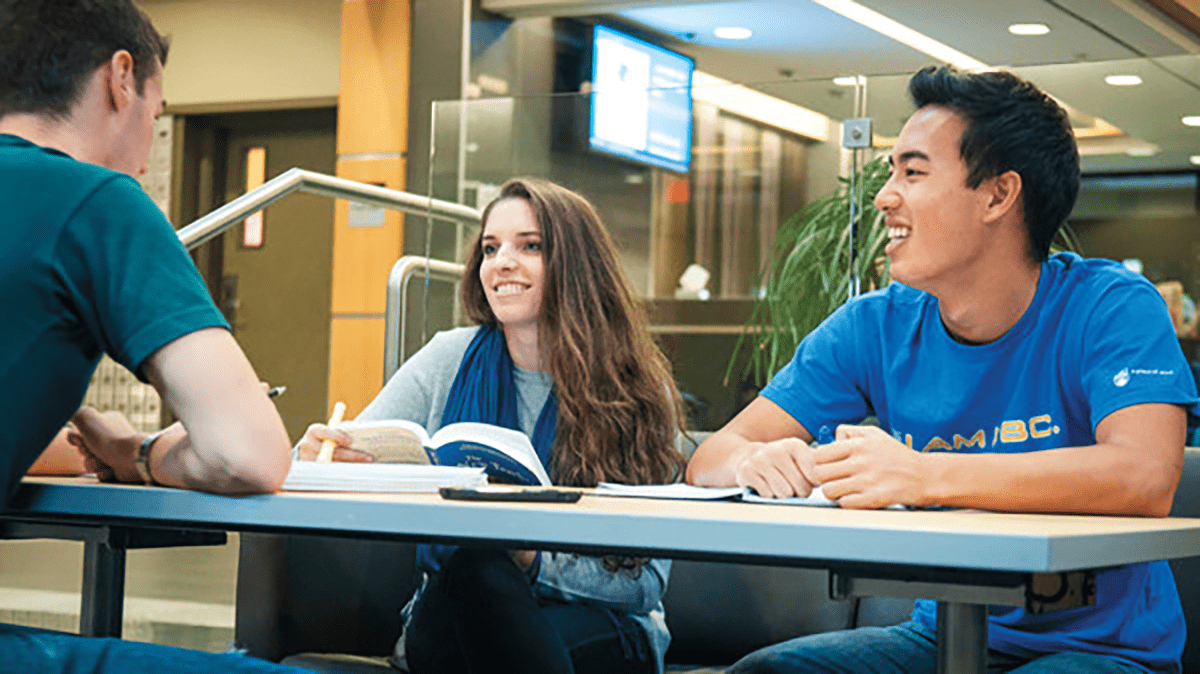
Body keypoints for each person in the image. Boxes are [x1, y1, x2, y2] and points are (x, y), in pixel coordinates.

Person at [688, 65, 1199, 674]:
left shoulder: (1111, 306)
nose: (884, 197)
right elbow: (710, 458)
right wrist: (753, 461)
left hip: (1098, 652)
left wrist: (921, 475)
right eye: (890, 172)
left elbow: (1144, 476)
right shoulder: (873, 325)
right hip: (941, 639)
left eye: (913, 171)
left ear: (998, 195)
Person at [0, 0, 302, 671]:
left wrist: (92, 444)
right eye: (157, 120)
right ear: (121, 77)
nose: (144, 156)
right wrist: (141, 452)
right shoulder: (95, 201)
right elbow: (248, 456)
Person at [295, 177, 687, 674]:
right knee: (472, 570)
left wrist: (530, 557)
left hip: (601, 624)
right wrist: (318, 457)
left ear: (577, 265)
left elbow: (644, 584)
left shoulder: (636, 392)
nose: (502, 262)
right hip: (451, 608)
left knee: (480, 577)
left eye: (531, 246)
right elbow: (340, 456)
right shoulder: (448, 359)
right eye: (490, 248)